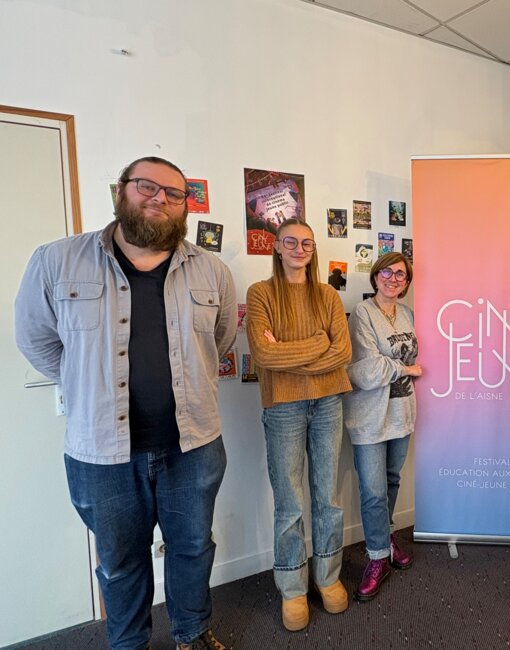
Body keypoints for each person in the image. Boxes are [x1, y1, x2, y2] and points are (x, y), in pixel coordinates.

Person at [15, 156, 237, 650]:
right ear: (121, 190)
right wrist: (82, 385)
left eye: (174, 193)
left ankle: (191, 633)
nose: (159, 198)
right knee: (119, 560)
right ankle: (129, 643)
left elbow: (218, 342)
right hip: (101, 454)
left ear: (185, 205)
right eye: (147, 186)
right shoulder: (57, 260)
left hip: (193, 444)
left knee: (193, 549)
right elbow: (36, 341)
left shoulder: (212, 270)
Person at [246, 217, 352, 632]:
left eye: (306, 243)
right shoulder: (260, 295)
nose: (299, 249)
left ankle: (328, 577)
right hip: (283, 407)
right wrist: (317, 344)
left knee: (328, 496)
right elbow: (264, 356)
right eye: (290, 241)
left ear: (313, 250)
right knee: (289, 500)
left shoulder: (327, 295)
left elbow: (341, 352)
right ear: (276, 246)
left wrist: (292, 353)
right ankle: (292, 587)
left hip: (328, 403)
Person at [343, 252, 421, 601]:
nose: (393, 279)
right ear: (375, 277)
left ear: (406, 282)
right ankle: (377, 558)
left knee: (391, 482)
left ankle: (385, 537)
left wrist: (399, 368)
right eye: (387, 272)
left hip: (401, 413)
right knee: (373, 491)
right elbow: (365, 370)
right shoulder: (362, 314)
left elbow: (400, 359)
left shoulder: (407, 314)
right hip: (369, 418)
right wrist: (406, 370)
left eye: (400, 275)